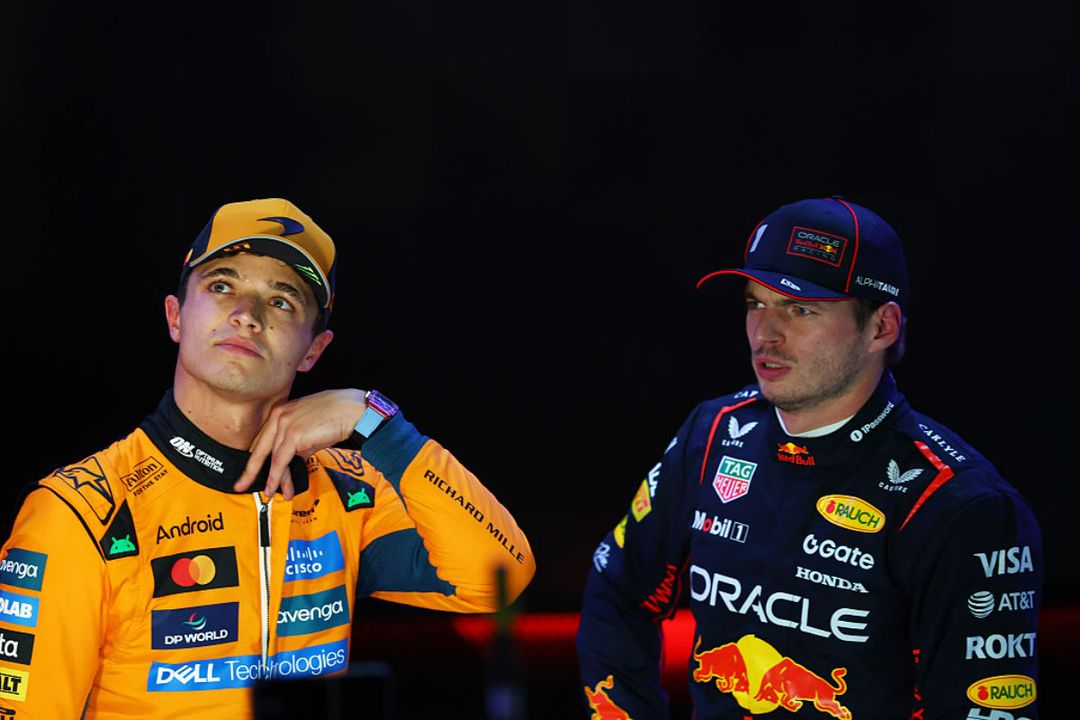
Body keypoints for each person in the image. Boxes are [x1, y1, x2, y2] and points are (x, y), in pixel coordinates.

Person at [0, 198, 535, 718]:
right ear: (175, 317)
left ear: (313, 350)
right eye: (222, 286)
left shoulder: (350, 491)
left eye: (281, 301)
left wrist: (378, 423)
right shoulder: (80, 514)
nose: (246, 316)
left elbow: (499, 577)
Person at [577, 197, 1042, 719]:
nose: (765, 334)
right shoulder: (714, 432)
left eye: (800, 309)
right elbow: (617, 589)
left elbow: (986, 708)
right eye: (756, 304)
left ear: (882, 327)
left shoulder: (963, 506)